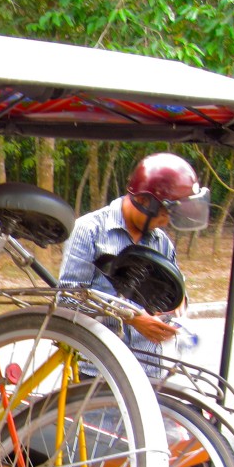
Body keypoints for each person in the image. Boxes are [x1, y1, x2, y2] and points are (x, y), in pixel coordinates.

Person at [58, 152, 209, 373]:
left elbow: (178, 295)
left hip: (147, 370)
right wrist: (131, 317)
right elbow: (68, 300)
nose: (165, 222)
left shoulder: (161, 242)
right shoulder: (90, 230)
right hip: (97, 369)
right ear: (143, 201)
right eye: (164, 214)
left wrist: (176, 306)